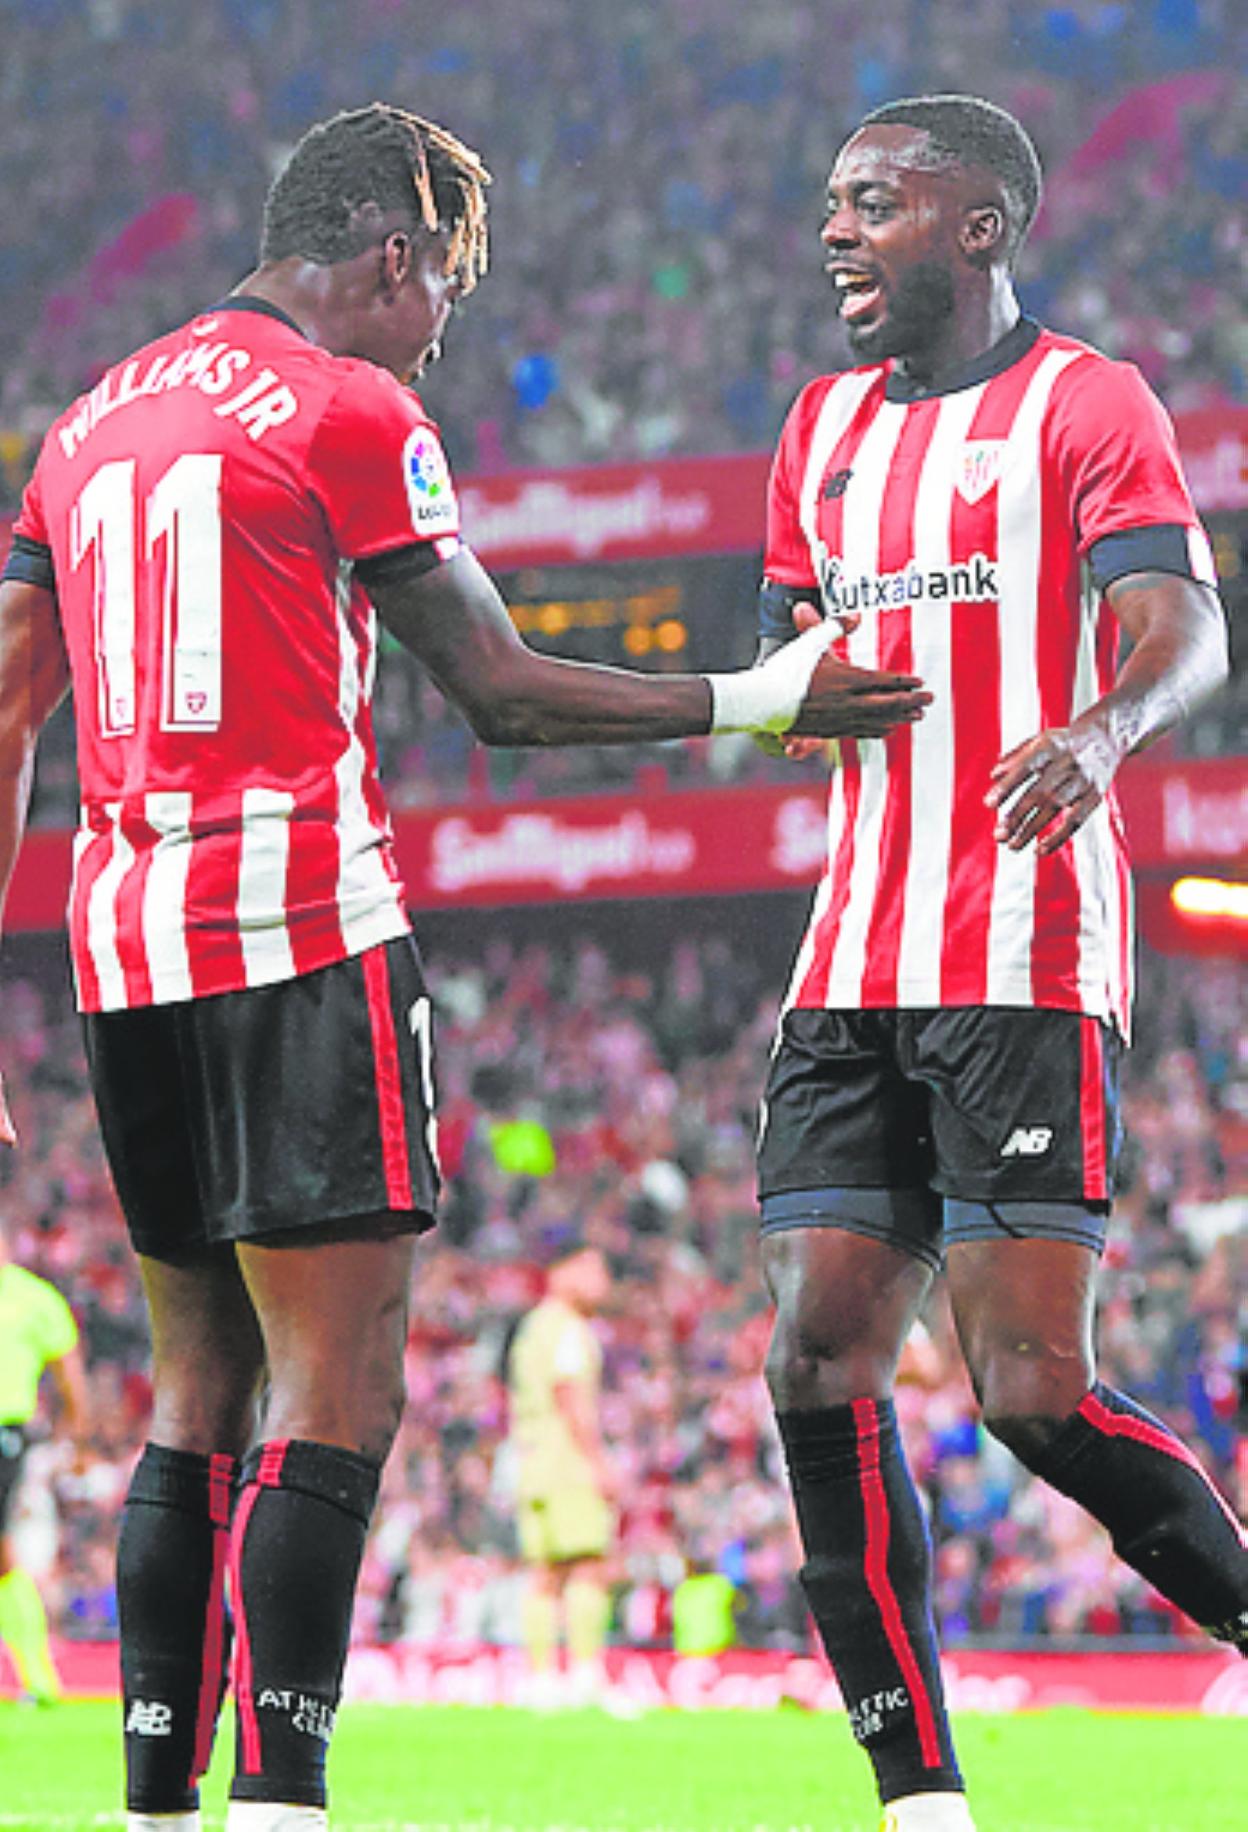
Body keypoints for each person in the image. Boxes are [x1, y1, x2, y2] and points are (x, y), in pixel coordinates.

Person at [0, 103, 930, 1831]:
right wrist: (754, 695)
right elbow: (495, 692)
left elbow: (5, 709)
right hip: (295, 926)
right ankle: (281, 1797)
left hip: (119, 950)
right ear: (389, 256)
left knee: (194, 1384)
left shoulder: (80, 424)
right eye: (448, 291)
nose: (444, 330)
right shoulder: (352, 408)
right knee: (338, 1383)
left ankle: (149, 1802)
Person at [752, 93, 1244, 1832]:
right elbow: (786, 648)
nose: (833, 234)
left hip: (1021, 951)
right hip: (848, 961)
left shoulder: (1087, 402)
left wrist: (1104, 729)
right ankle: (920, 1800)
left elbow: (1179, 622)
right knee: (815, 1358)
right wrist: (783, 696)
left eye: (870, 203)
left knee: (1026, 1393)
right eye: (829, 204)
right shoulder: (814, 428)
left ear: (974, 226)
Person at [507, 1237, 616, 1707]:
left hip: (532, 1460)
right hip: (566, 1460)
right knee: (590, 1564)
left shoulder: (532, 1329)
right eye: (591, 1269)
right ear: (562, 1272)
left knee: (545, 1571)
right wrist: (599, 1462)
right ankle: (585, 1674)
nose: (602, 1282)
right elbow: (570, 1397)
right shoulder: (570, 1328)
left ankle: (541, 1677)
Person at [0, 1220, 91, 1704]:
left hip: (6, 1434)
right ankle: (38, 1678)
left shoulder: (33, 1300)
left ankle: (38, 1677)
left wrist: (76, 1439)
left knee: (4, 1558)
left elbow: (69, 1371)